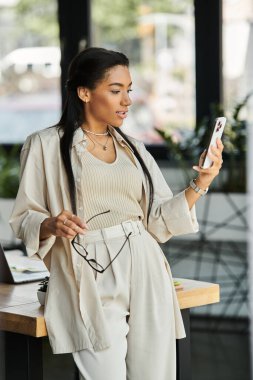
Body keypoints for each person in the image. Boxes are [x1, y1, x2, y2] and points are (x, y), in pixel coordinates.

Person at [10, 47, 223, 380]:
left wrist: (201, 182)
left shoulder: (134, 148)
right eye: (115, 90)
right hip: (87, 270)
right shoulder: (45, 145)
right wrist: (50, 224)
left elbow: (158, 219)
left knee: (154, 374)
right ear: (84, 92)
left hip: (145, 261)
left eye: (129, 90)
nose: (127, 100)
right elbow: (24, 218)